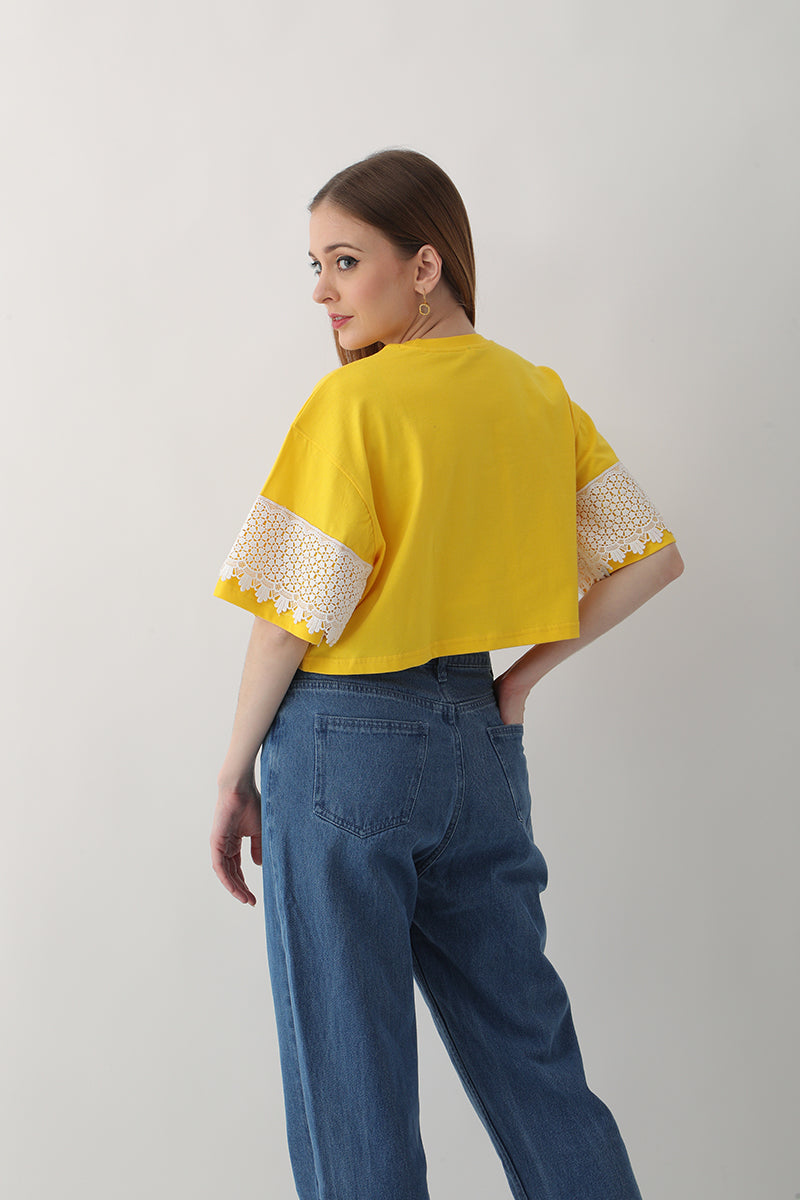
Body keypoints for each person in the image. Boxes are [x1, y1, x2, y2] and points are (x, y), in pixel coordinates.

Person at [210, 147, 684, 1200]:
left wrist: (233, 773)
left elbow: (288, 623)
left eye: (345, 261)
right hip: (480, 741)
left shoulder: (355, 405)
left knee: (352, 1079)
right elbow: (650, 559)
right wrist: (516, 685)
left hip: (341, 747)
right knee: (532, 1060)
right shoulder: (536, 395)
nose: (323, 291)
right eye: (315, 266)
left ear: (425, 265)